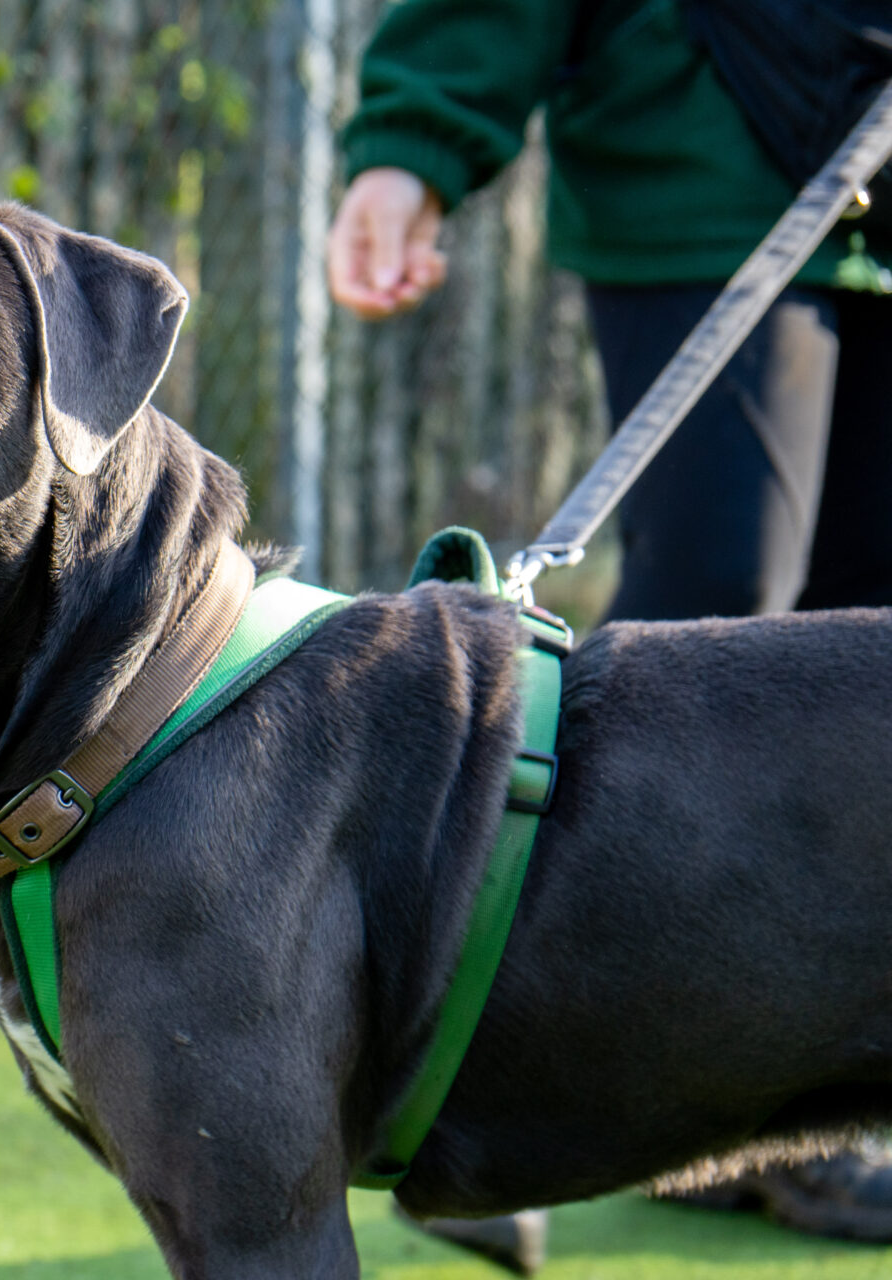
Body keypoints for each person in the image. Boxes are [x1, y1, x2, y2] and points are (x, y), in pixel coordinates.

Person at [329, 0, 892, 1268]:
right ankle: (561, 1086)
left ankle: (794, 1102)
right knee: (721, 622)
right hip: (706, 163)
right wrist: (415, 139)